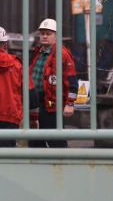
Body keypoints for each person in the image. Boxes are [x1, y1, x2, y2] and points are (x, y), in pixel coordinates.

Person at [29, 18, 77, 148]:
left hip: (52, 104)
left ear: (56, 36)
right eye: (42, 33)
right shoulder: (37, 52)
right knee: (34, 141)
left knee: (56, 141)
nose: (44, 36)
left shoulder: (62, 54)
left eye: (48, 33)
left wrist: (70, 104)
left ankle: (62, 166)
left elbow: (72, 81)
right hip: (35, 104)